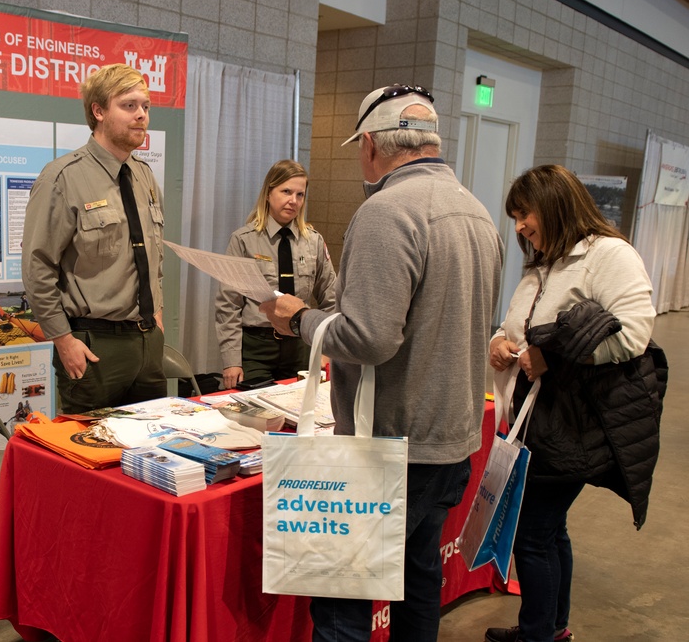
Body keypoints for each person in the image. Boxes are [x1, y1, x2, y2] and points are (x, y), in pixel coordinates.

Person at [260, 84, 503, 642]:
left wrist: (300, 318)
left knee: (343, 606)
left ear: (371, 144)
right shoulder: (475, 210)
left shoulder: (386, 212)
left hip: (392, 449)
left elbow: (368, 339)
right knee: (418, 586)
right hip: (452, 441)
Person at [485, 165, 666, 642]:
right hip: (536, 420)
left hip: (571, 424)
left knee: (533, 534)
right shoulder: (544, 261)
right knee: (550, 529)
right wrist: (500, 342)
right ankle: (552, 627)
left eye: (525, 214)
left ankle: (537, 633)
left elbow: (633, 335)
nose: (520, 226)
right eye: (516, 217)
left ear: (554, 204)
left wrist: (552, 359)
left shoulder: (609, 256)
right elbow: (522, 327)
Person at [21, 63, 166, 413]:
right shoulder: (63, 177)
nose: (141, 115)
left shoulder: (144, 176)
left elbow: (152, 259)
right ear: (98, 111)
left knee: (149, 454)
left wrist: (157, 319)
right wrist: (63, 340)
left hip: (146, 342)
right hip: (93, 345)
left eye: (145, 106)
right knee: (90, 457)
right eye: (129, 105)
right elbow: (37, 267)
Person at [214, 159, 337, 389]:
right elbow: (228, 305)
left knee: (297, 413)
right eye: (286, 191)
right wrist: (232, 361)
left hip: (300, 345)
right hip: (256, 347)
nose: (294, 200)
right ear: (269, 193)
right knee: (257, 414)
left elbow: (332, 299)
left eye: (300, 195)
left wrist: (326, 350)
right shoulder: (244, 240)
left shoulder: (313, 241)